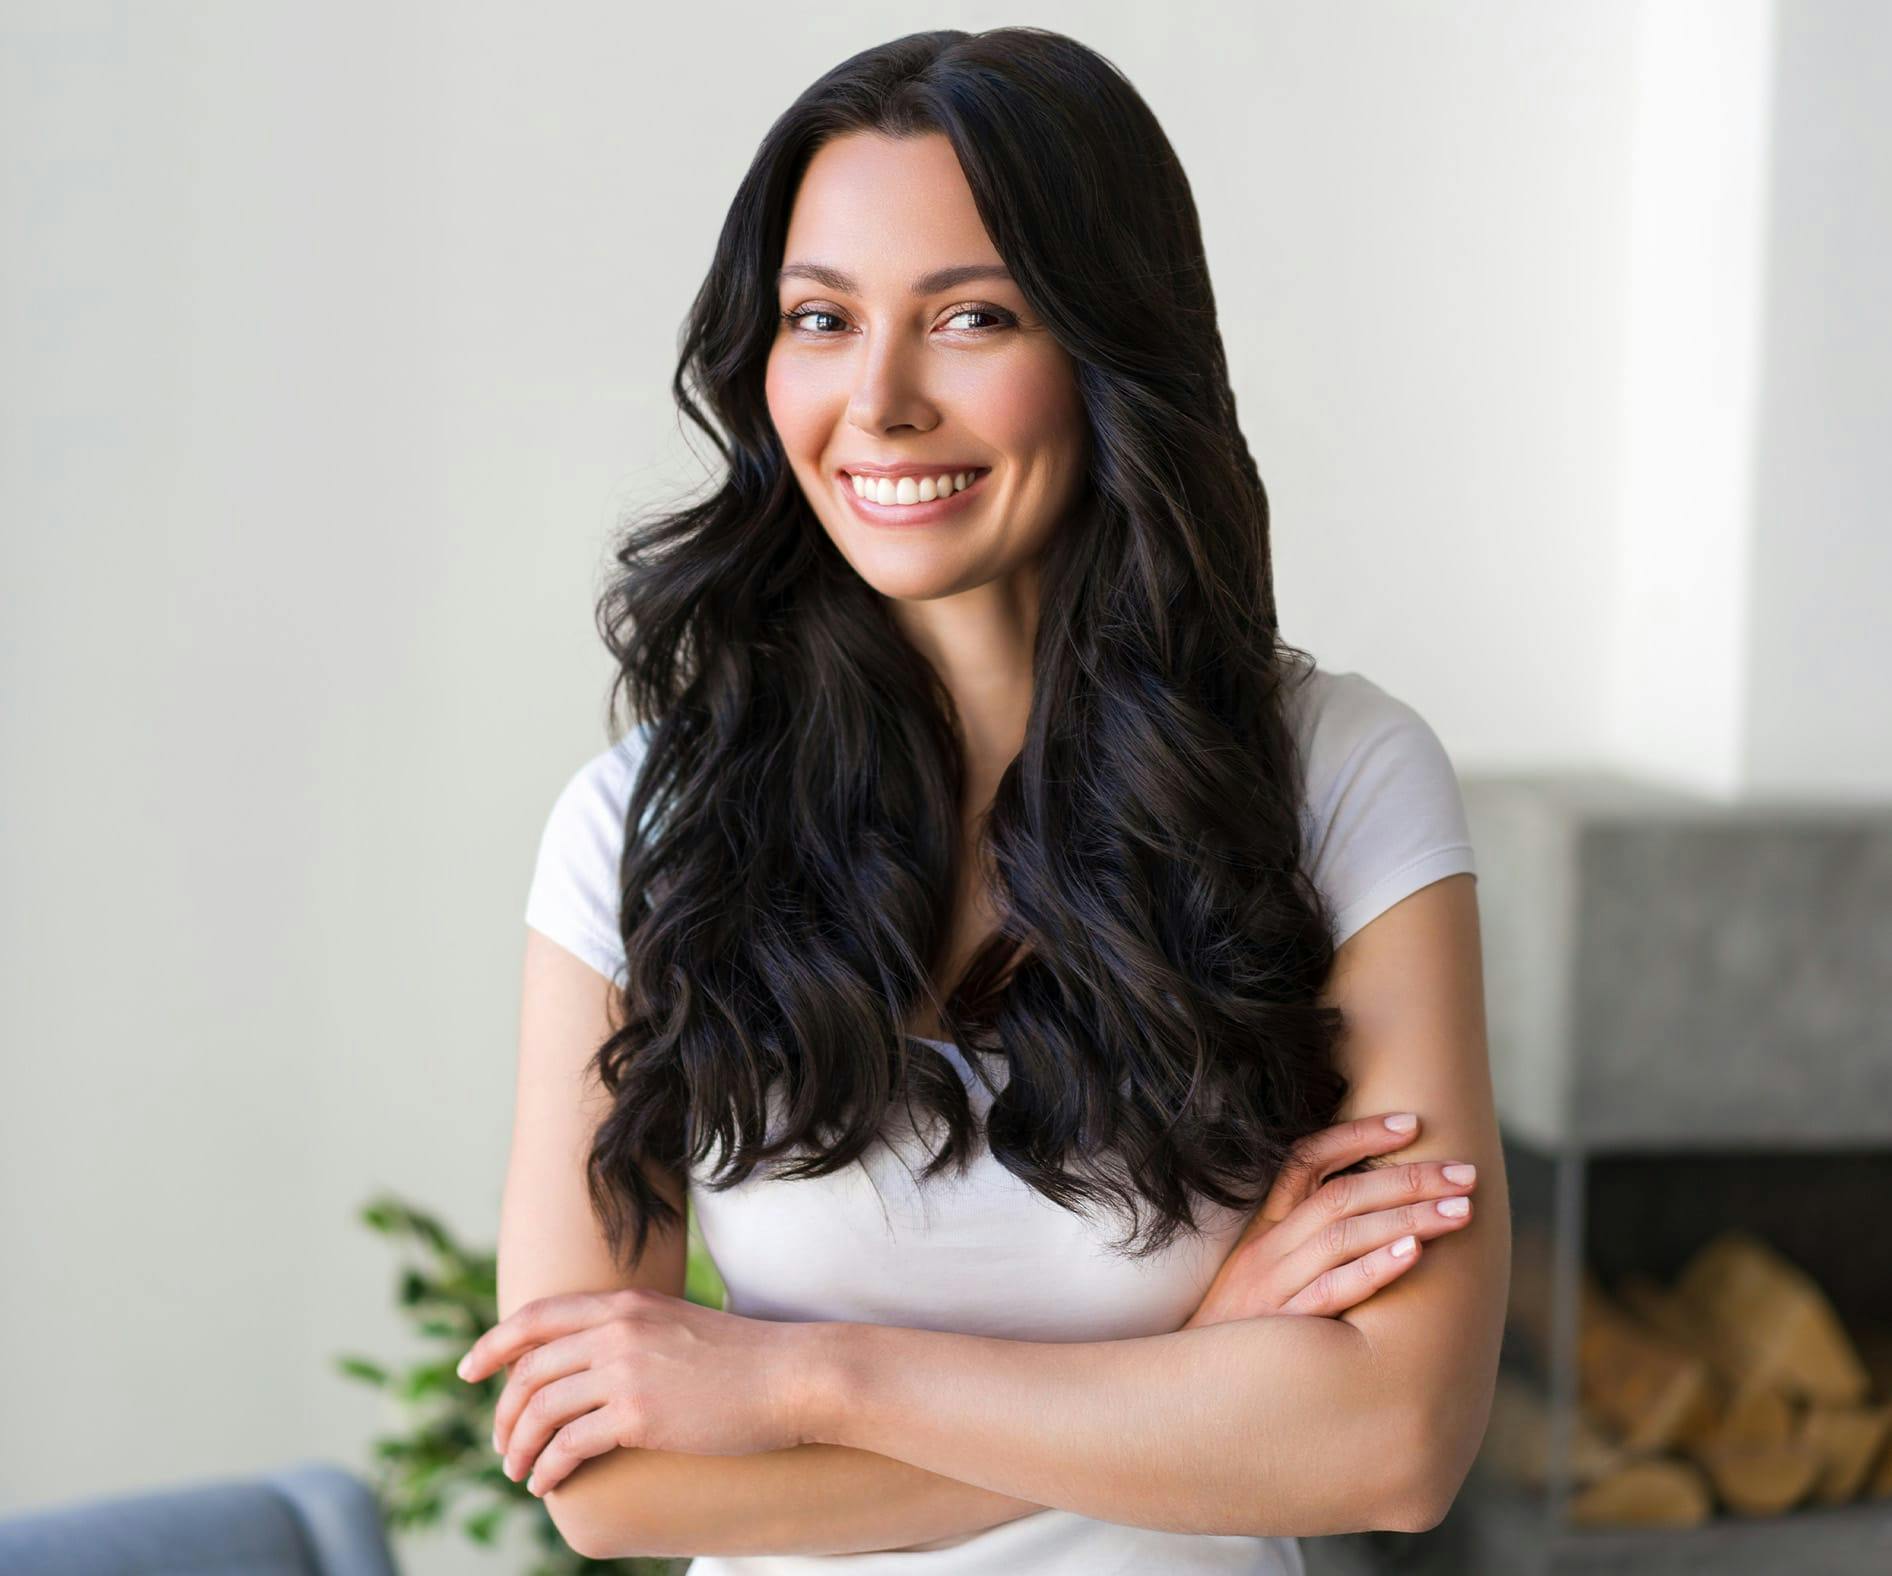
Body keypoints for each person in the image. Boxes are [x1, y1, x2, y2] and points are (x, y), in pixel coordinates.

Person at [464, 25, 1511, 1574]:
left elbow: (1395, 1445)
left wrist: (800, 1377)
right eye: (821, 318)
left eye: (970, 317)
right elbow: (605, 1487)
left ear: (1107, 353)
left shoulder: (1340, 779)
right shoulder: (640, 827)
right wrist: (1192, 1384)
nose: (878, 402)